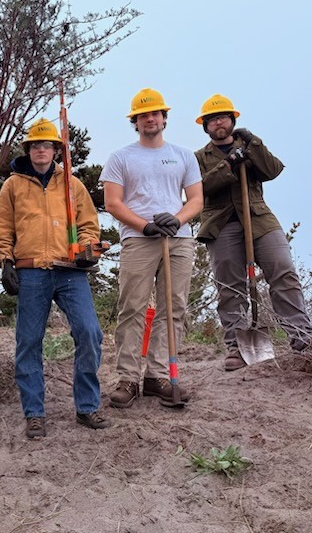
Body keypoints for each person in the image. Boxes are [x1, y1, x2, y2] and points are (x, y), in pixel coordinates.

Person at [0, 118, 110, 439]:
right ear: (28, 150)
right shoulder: (12, 186)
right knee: (28, 342)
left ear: (56, 149)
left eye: (46, 145)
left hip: (69, 272)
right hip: (30, 270)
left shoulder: (73, 185)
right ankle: (34, 413)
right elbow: (2, 229)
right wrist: (5, 262)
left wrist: (85, 247)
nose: (41, 150)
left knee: (89, 332)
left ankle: (87, 406)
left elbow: (89, 225)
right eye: (35, 145)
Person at [194, 94, 312, 370]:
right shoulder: (197, 158)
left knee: (284, 271)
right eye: (213, 119)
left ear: (233, 120)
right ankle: (236, 346)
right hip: (221, 224)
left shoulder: (251, 147)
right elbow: (199, 188)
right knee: (230, 286)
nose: (219, 122)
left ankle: (302, 337)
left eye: (224, 117)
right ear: (205, 126)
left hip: (259, 220)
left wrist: (254, 143)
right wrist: (228, 163)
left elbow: (273, 170)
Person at [100, 89, 202, 409]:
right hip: (138, 239)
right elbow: (112, 202)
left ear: (164, 118)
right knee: (132, 307)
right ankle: (128, 378)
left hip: (179, 238)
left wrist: (177, 218)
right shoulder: (121, 157)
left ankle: (157, 376)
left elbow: (196, 200)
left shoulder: (184, 155)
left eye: (155, 113)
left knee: (174, 308)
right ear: (135, 121)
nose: (150, 119)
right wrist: (144, 225)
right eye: (143, 115)